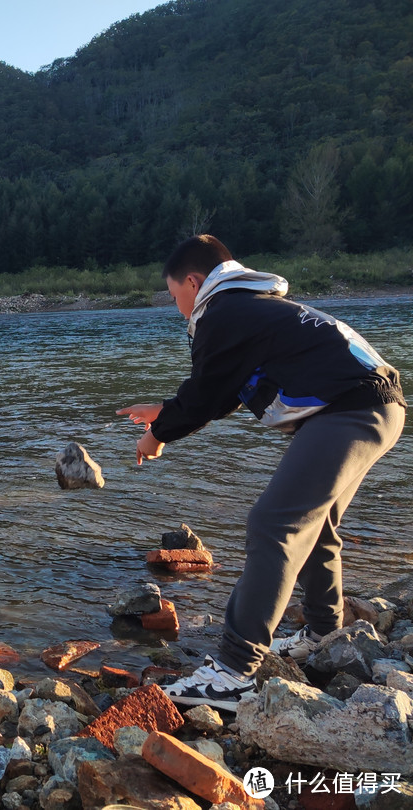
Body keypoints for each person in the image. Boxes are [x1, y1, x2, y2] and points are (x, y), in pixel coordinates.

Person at [117, 234, 405, 712]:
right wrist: (166, 409)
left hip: (350, 412)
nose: (178, 309)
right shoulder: (254, 304)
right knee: (319, 524)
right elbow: (226, 388)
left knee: (273, 525)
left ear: (193, 281)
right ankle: (322, 632)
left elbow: (207, 392)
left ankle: (232, 673)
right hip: (377, 406)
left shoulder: (222, 311)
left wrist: (159, 433)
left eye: (174, 297)